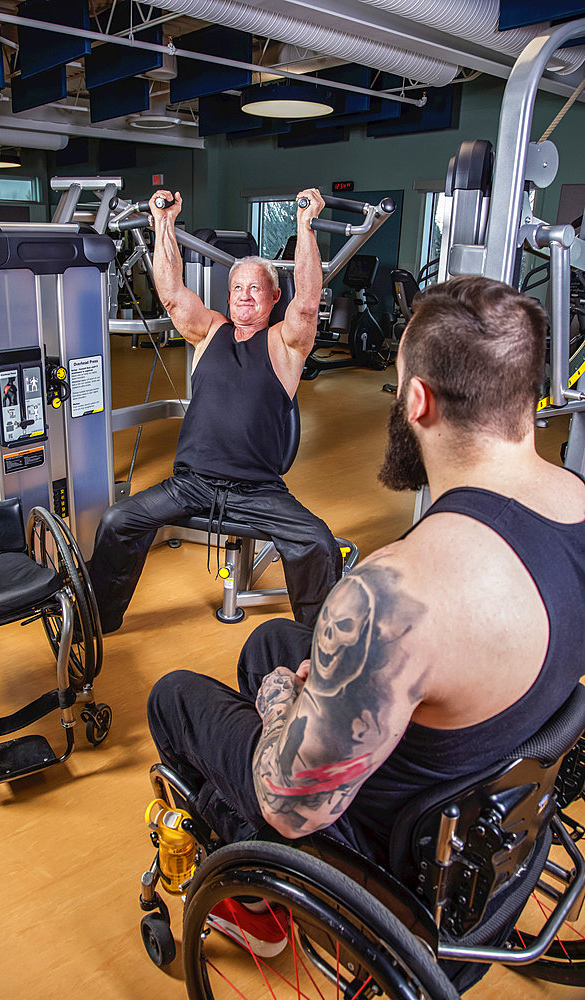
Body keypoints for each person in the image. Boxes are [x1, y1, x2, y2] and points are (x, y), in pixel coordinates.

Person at [147, 275, 585, 952]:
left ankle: (262, 912)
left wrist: (279, 703)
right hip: (491, 814)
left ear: (414, 399)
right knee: (270, 637)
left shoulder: (399, 592)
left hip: (398, 860)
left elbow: (294, 807)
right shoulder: (577, 503)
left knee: (175, 696)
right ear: (527, 395)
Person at [87, 187, 342, 634]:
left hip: (258, 491)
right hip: (192, 485)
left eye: (256, 289)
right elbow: (170, 293)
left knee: (317, 541)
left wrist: (305, 227)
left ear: (272, 296)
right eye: (237, 288)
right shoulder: (208, 333)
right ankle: (98, 621)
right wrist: (162, 222)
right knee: (117, 520)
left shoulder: (285, 343)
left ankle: (318, 649)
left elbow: (307, 301)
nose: (245, 296)